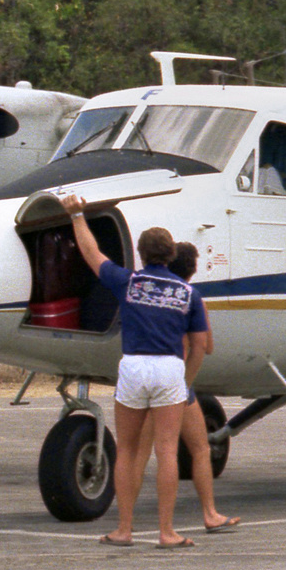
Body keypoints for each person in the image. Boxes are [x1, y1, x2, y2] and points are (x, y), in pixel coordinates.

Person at [61, 193, 206, 549]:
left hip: (134, 366)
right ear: (172, 255)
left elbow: (92, 254)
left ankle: (124, 529)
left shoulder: (128, 283)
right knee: (167, 450)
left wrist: (77, 215)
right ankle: (167, 532)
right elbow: (200, 344)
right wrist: (186, 384)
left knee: (126, 450)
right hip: (169, 369)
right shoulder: (189, 294)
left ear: (140, 254)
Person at [135, 241, 240, 534]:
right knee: (198, 449)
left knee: (140, 452)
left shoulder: (149, 294)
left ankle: (126, 520)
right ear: (193, 269)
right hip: (177, 382)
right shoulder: (191, 297)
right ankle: (209, 513)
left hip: (145, 376)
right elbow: (206, 347)